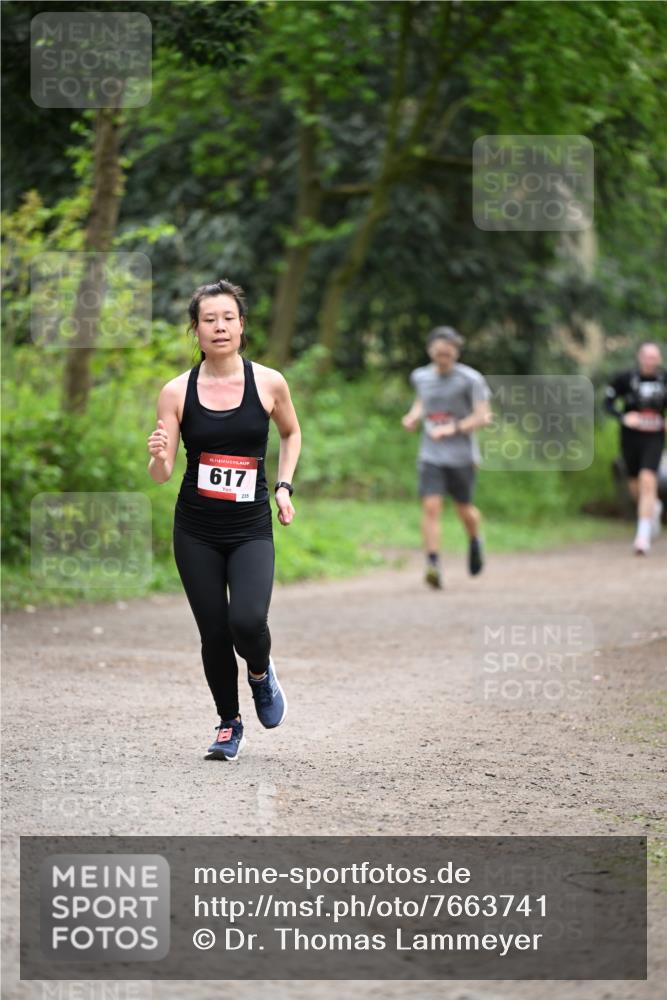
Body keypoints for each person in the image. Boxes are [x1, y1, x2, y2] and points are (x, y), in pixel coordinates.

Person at [147, 278, 301, 760]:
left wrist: (283, 487)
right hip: (196, 529)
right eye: (209, 319)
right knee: (214, 632)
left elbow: (291, 433)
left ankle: (260, 672)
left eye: (228, 318)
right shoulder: (176, 391)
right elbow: (161, 473)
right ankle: (228, 724)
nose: (219, 327)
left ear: (241, 326)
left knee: (248, 621)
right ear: (195, 330)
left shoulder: (269, 383)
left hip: (250, 526)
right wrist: (157, 455)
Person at [402, 326, 491, 589]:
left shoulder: (471, 379)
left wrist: (452, 429)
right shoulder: (420, 376)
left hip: (462, 456)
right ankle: (432, 564)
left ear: (456, 353)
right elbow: (422, 401)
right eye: (440, 353)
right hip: (431, 455)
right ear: (431, 351)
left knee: (464, 509)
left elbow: (484, 416)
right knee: (431, 507)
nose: (444, 357)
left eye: (449, 353)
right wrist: (413, 416)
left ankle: (475, 539)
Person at [605, 341, 666, 555]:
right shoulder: (625, 379)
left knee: (648, 479)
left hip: (654, 437)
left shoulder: (664, 379)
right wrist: (623, 417)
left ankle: (642, 536)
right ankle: (653, 508)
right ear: (640, 357)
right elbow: (607, 403)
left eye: (654, 357)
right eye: (647, 356)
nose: (650, 361)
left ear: (659, 359)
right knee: (635, 486)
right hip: (630, 437)